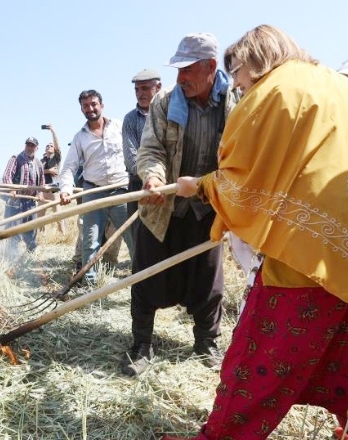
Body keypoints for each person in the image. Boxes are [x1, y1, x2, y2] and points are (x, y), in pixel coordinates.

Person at [164, 24, 348, 440]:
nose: (241, 88)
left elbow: (242, 174)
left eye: (240, 78)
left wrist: (202, 186)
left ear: (253, 60)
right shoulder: (344, 87)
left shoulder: (273, 91)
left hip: (307, 251)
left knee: (257, 361)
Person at [122, 33, 238, 377]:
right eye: (177, 70)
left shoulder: (234, 106)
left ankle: (206, 343)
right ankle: (141, 346)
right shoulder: (165, 102)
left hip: (207, 208)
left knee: (208, 282)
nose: (180, 78)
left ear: (211, 68)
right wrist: (154, 178)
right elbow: (152, 149)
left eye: (187, 70)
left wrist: (210, 188)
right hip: (164, 209)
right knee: (146, 277)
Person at [58, 90, 133, 283]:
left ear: (101, 105)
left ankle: (143, 281)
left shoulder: (119, 126)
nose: (90, 109)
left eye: (93, 104)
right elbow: (69, 167)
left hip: (121, 190)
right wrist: (65, 189)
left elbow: (136, 152)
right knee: (90, 241)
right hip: (93, 192)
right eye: (85, 106)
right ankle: (89, 285)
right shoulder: (79, 137)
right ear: (82, 109)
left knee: (132, 238)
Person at [123, 68, 162, 224]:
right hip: (139, 184)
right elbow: (131, 157)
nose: (140, 93)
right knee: (139, 237)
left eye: (145, 88)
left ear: (158, 87)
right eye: (137, 89)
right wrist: (149, 177)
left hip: (165, 185)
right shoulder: (130, 119)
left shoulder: (171, 112)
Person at [1, 136, 45, 254]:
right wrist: (11, 188)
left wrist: (40, 192)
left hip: (30, 202)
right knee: (14, 230)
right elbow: (7, 176)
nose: (30, 147)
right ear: (25, 145)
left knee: (31, 229)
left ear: (37, 148)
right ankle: (12, 256)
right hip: (16, 201)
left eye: (32, 146)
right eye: (28, 145)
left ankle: (31, 253)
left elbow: (41, 182)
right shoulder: (16, 159)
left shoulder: (39, 163)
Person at [38, 124, 65, 233]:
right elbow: (37, 173)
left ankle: (63, 236)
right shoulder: (41, 161)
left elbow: (57, 146)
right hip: (43, 189)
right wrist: (48, 171)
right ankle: (41, 236)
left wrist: (53, 131)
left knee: (58, 215)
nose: (49, 146)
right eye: (47, 145)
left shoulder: (56, 158)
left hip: (54, 190)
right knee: (40, 216)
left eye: (51, 145)